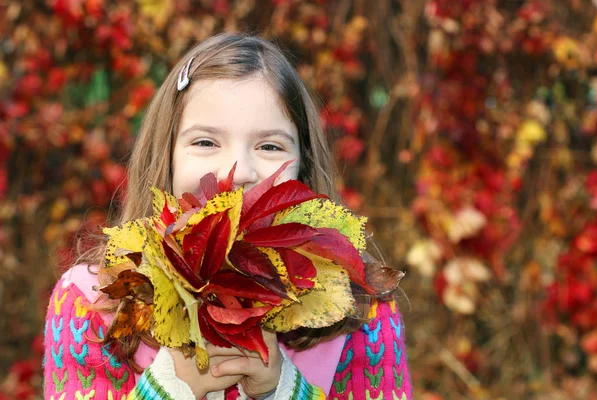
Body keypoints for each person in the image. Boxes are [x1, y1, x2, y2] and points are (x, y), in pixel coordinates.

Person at [43, 33, 413, 400]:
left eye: (270, 146)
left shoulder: (361, 310)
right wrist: (169, 388)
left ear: (303, 167)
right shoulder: (91, 302)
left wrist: (283, 390)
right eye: (205, 142)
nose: (236, 172)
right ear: (167, 156)